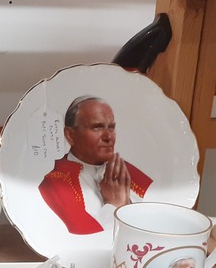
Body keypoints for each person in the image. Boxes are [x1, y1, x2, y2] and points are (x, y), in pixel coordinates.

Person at [38, 96, 153, 235]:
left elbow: (156, 219)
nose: (108, 137)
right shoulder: (55, 183)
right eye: (97, 127)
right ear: (70, 135)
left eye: (111, 127)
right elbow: (83, 237)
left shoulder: (125, 170)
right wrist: (115, 205)